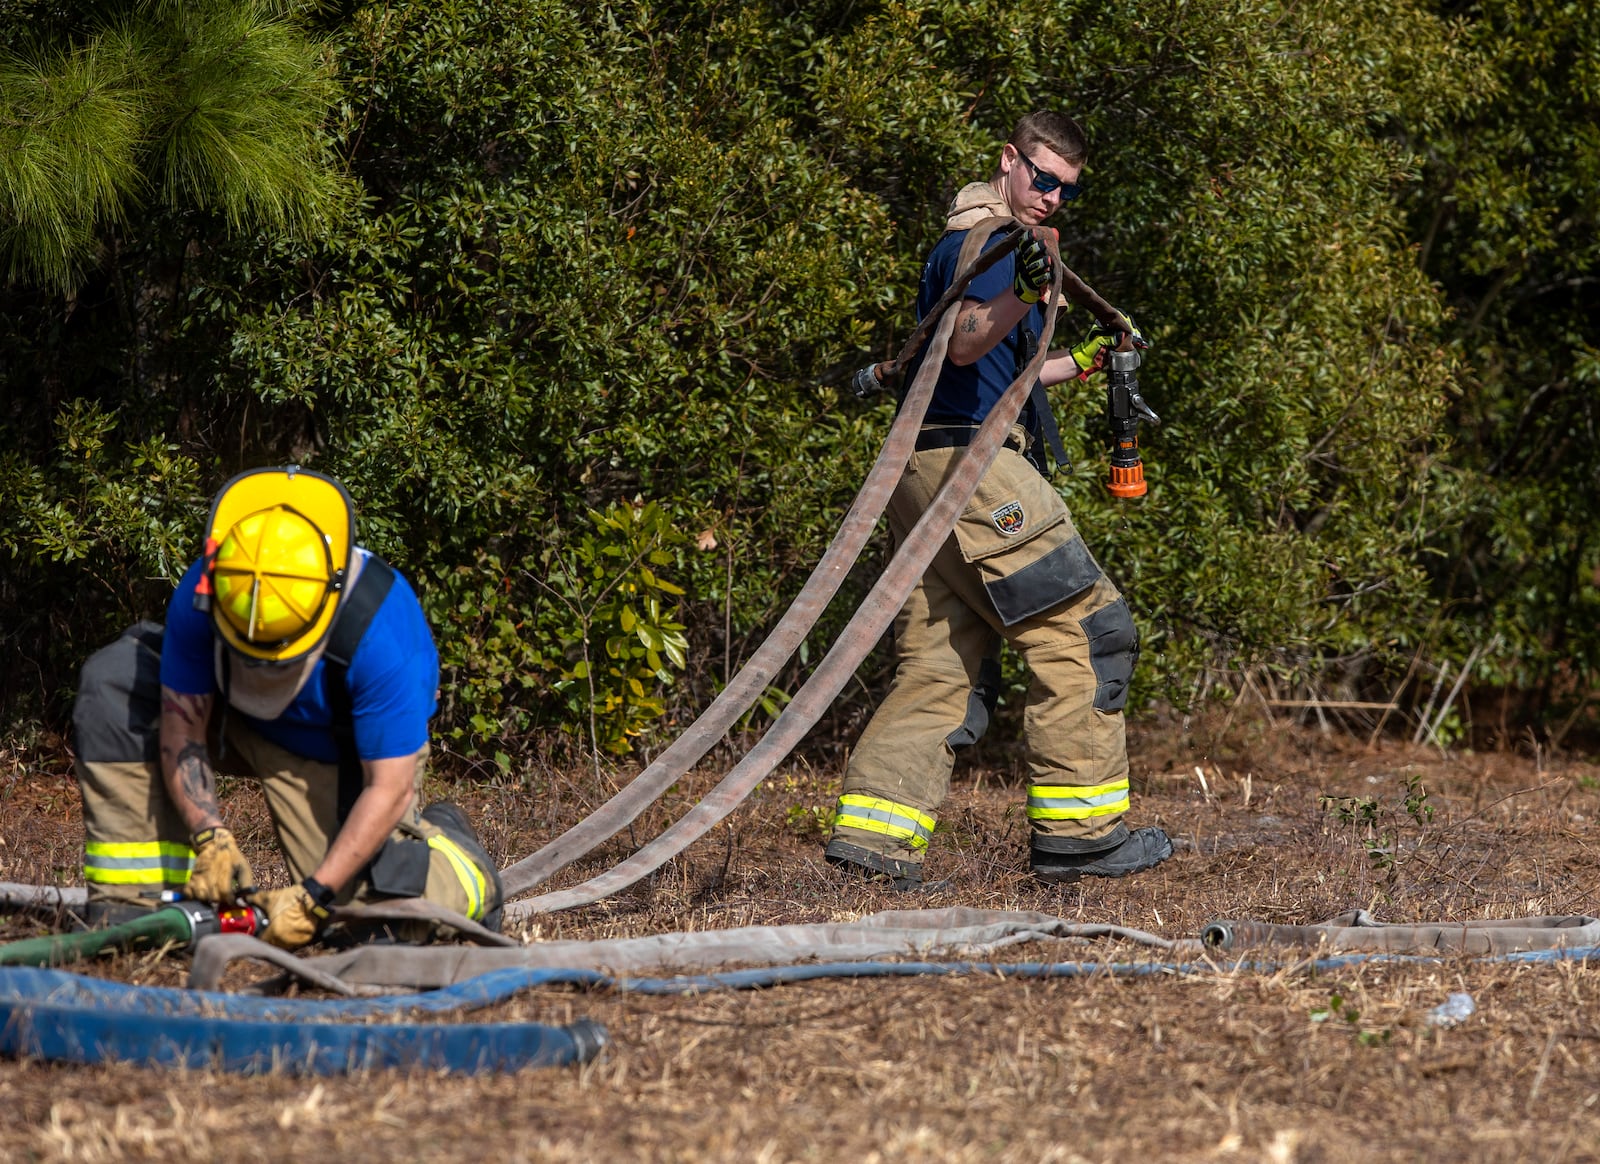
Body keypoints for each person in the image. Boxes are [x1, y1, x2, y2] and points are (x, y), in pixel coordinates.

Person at [825, 111, 1173, 888]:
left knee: (938, 665)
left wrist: (1077, 363)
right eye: (1041, 178)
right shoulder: (992, 243)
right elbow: (968, 340)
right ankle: (1081, 837)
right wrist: (1024, 288)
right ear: (1009, 161)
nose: (1050, 197)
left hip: (925, 468)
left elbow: (985, 368)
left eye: (1065, 190)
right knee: (1088, 631)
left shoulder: (970, 244)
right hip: (976, 466)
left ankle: (874, 842)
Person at [71, 466, 502, 947]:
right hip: (230, 716)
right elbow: (182, 727)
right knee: (116, 681)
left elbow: (389, 787)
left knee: (365, 918)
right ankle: (138, 906)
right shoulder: (213, 589)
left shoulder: (382, 630)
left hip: (330, 748)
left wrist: (316, 897)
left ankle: (463, 863)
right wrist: (210, 837)